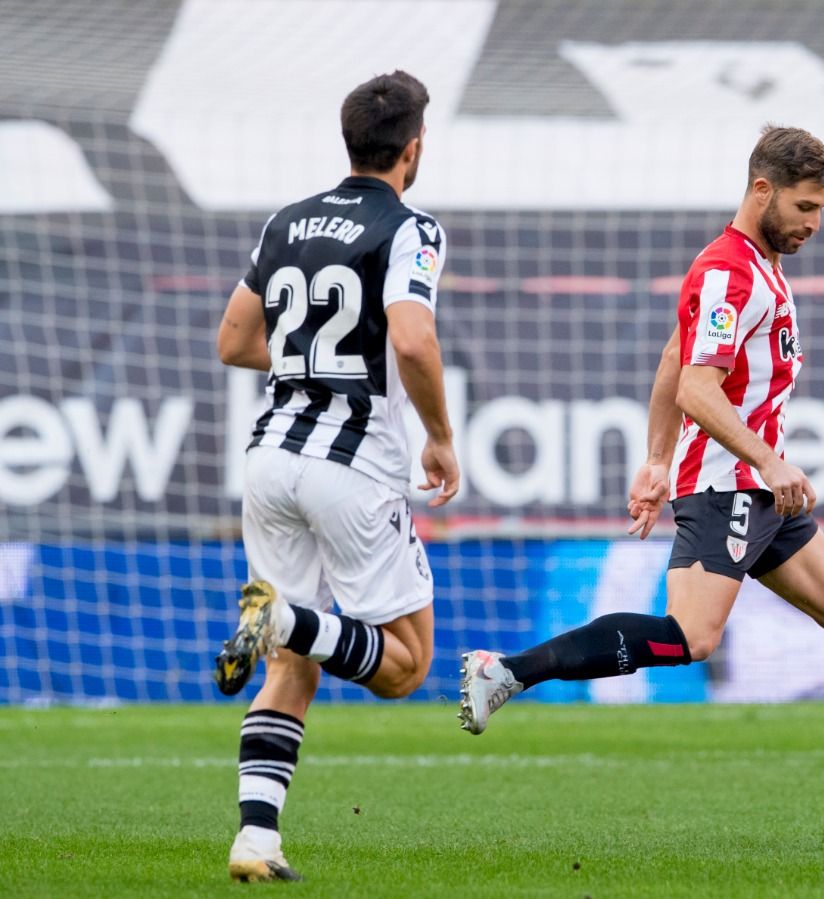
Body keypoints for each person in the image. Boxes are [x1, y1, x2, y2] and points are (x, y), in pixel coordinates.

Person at [458, 125, 824, 789]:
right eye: (805, 207)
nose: (814, 224)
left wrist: (657, 460)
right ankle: (507, 670)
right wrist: (766, 461)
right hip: (731, 486)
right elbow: (698, 386)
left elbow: (674, 358)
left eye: (822, 211)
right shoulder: (728, 272)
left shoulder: (760, 269)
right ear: (763, 189)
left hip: (760, 490)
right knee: (692, 637)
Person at [211, 70, 460, 882]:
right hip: (350, 467)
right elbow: (415, 340)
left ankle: (256, 839)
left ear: (348, 140)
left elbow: (233, 340)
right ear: (413, 149)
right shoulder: (410, 225)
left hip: (271, 455)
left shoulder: (287, 220)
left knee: (294, 663)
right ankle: (283, 615)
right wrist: (441, 437)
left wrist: (310, 359)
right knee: (405, 664)